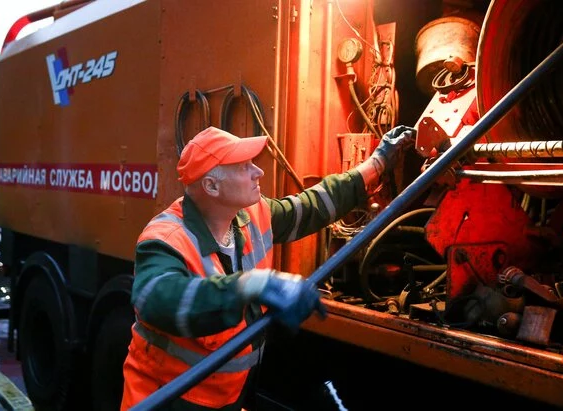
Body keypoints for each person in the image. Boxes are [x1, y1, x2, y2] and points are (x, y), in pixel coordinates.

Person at [120, 125, 416, 410]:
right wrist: (249, 285)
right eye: (244, 166)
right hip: (165, 401)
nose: (258, 171)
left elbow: (310, 206)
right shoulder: (166, 238)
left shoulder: (253, 214)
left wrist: (377, 163)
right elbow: (154, 298)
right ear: (211, 185)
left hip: (225, 399)